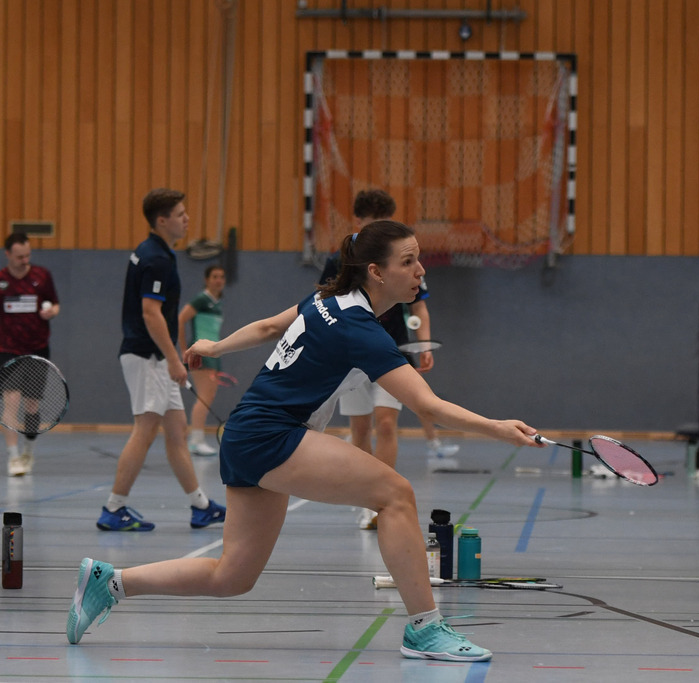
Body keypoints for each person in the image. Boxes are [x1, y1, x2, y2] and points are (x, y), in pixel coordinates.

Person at [67, 219, 542, 661]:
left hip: (249, 434)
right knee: (395, 494)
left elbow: (270, 327)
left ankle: (111, 583)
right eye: (408, 262)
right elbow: (429, 407)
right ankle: (425, 627)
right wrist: (499, 428)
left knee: (232, 576)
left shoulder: (326, 302)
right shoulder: (362, 330)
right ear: (375, 272)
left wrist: (216, 345)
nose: (420, 271)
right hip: (271, 434)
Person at [317, 190, 458, 529]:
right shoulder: (340, 260)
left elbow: (419, 305)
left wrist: (422, 343)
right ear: (358, 222)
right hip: (350, 359)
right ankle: (365, 496)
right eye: (371, 220)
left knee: (385, 424)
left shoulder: (399, 259)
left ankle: (381, 503)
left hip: (390, 352)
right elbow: (324, 304)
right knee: (360, 429)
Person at [96, 188, 226, 532]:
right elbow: (151, 313)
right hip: (147, 356)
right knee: (145, 430)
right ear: (162, 220)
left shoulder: (153, 253)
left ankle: (200, 506)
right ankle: (114, 507)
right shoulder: (155, 258)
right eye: (181, 214)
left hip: (153, 357)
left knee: (176, 433)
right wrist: (172, 359)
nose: (187, 219)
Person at [0, 233, 60, 477]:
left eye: (28, 255)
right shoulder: (1, 281)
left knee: (32, 405)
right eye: (19, 256)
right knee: (11, 401)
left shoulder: (41, 276)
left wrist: (52, 313)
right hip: (7, 349)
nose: (25, 260)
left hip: (37, 348)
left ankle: (28, 450)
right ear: (8, 255)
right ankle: (13, 458)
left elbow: (55, 304)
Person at [178, 264, 227, 456]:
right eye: (214, 276)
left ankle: (197, 439)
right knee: (204, 396)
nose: (219, 280)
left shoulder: (217, 302)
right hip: (201, 353)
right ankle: (196, 441)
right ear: (207, 280)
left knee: (209, 395)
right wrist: (184, 349)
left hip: (214, 352)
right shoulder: (201, 299)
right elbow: (181, 319)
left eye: (221, 277)